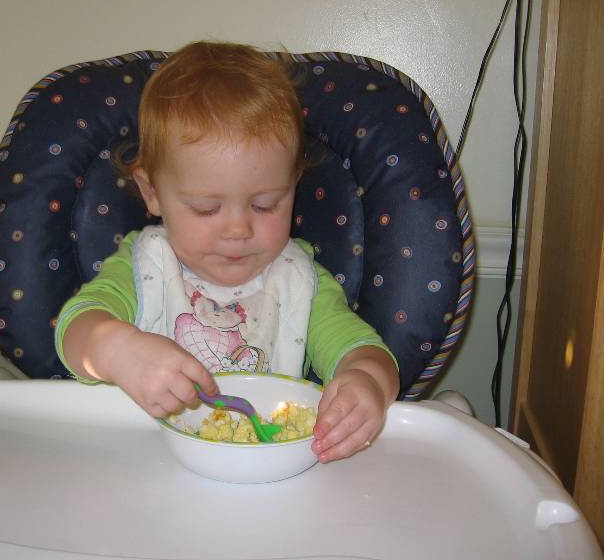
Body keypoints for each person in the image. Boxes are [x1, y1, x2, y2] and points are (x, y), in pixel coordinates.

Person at [55, 41, 400, 463]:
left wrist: (368, 383)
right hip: (142, 465)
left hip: (262, 475)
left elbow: (361, 349)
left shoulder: (296, 279)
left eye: (265, 205)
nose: (238, 230)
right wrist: (115, 350)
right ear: (152, 192)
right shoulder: (147, 265)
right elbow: (75, 330)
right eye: (207, 208)